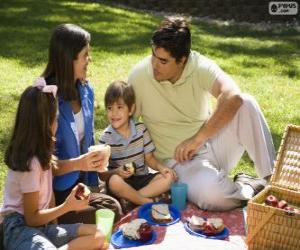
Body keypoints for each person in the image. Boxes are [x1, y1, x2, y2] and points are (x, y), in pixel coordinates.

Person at [128, 16, 276, 211]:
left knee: (245, 102)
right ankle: (248, 186)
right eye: (154, 55)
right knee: (213, 197)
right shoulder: (139, 76)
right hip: (180, 163)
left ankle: (272, 182)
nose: (155, 64)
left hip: (212, 145)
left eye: (163, 61)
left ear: (182, 60)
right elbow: (127, 126)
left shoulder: (198, 66)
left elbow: (233, 96)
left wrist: (198, 139)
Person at [1, 83, 108, 250]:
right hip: (18, 228)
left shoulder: (44, 156)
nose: (57, 124)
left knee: (98, 234)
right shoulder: (30, 164)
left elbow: (48, 200)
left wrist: (56, 230)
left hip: (41, 229)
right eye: (56, 119)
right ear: (46, 124)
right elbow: (31, 218)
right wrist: (68, 206)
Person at [42, 23, 122, 223]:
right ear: (69, 58)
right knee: (109, 213)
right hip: (54, 193)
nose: (90, 59)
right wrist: (80, 163)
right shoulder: (46, 99)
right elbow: (41, 165)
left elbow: (88, 140)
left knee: (112, 207)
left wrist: (96, 167)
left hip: (82, 184)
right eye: (85, 54)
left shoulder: (86, 91)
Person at [99, 81, 177, 211]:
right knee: (114, 181)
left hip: (142, 179)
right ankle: (147, 202)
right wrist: (117, 171)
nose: (114, 113)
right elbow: (102, 175)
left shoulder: (140, 129)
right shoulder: (106, 137)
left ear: (131, 109)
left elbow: (150, 159)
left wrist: (161, 167)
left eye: (119, 107)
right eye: (109, 108)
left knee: (168, 177)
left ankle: (133, 200)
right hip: (122, 183)